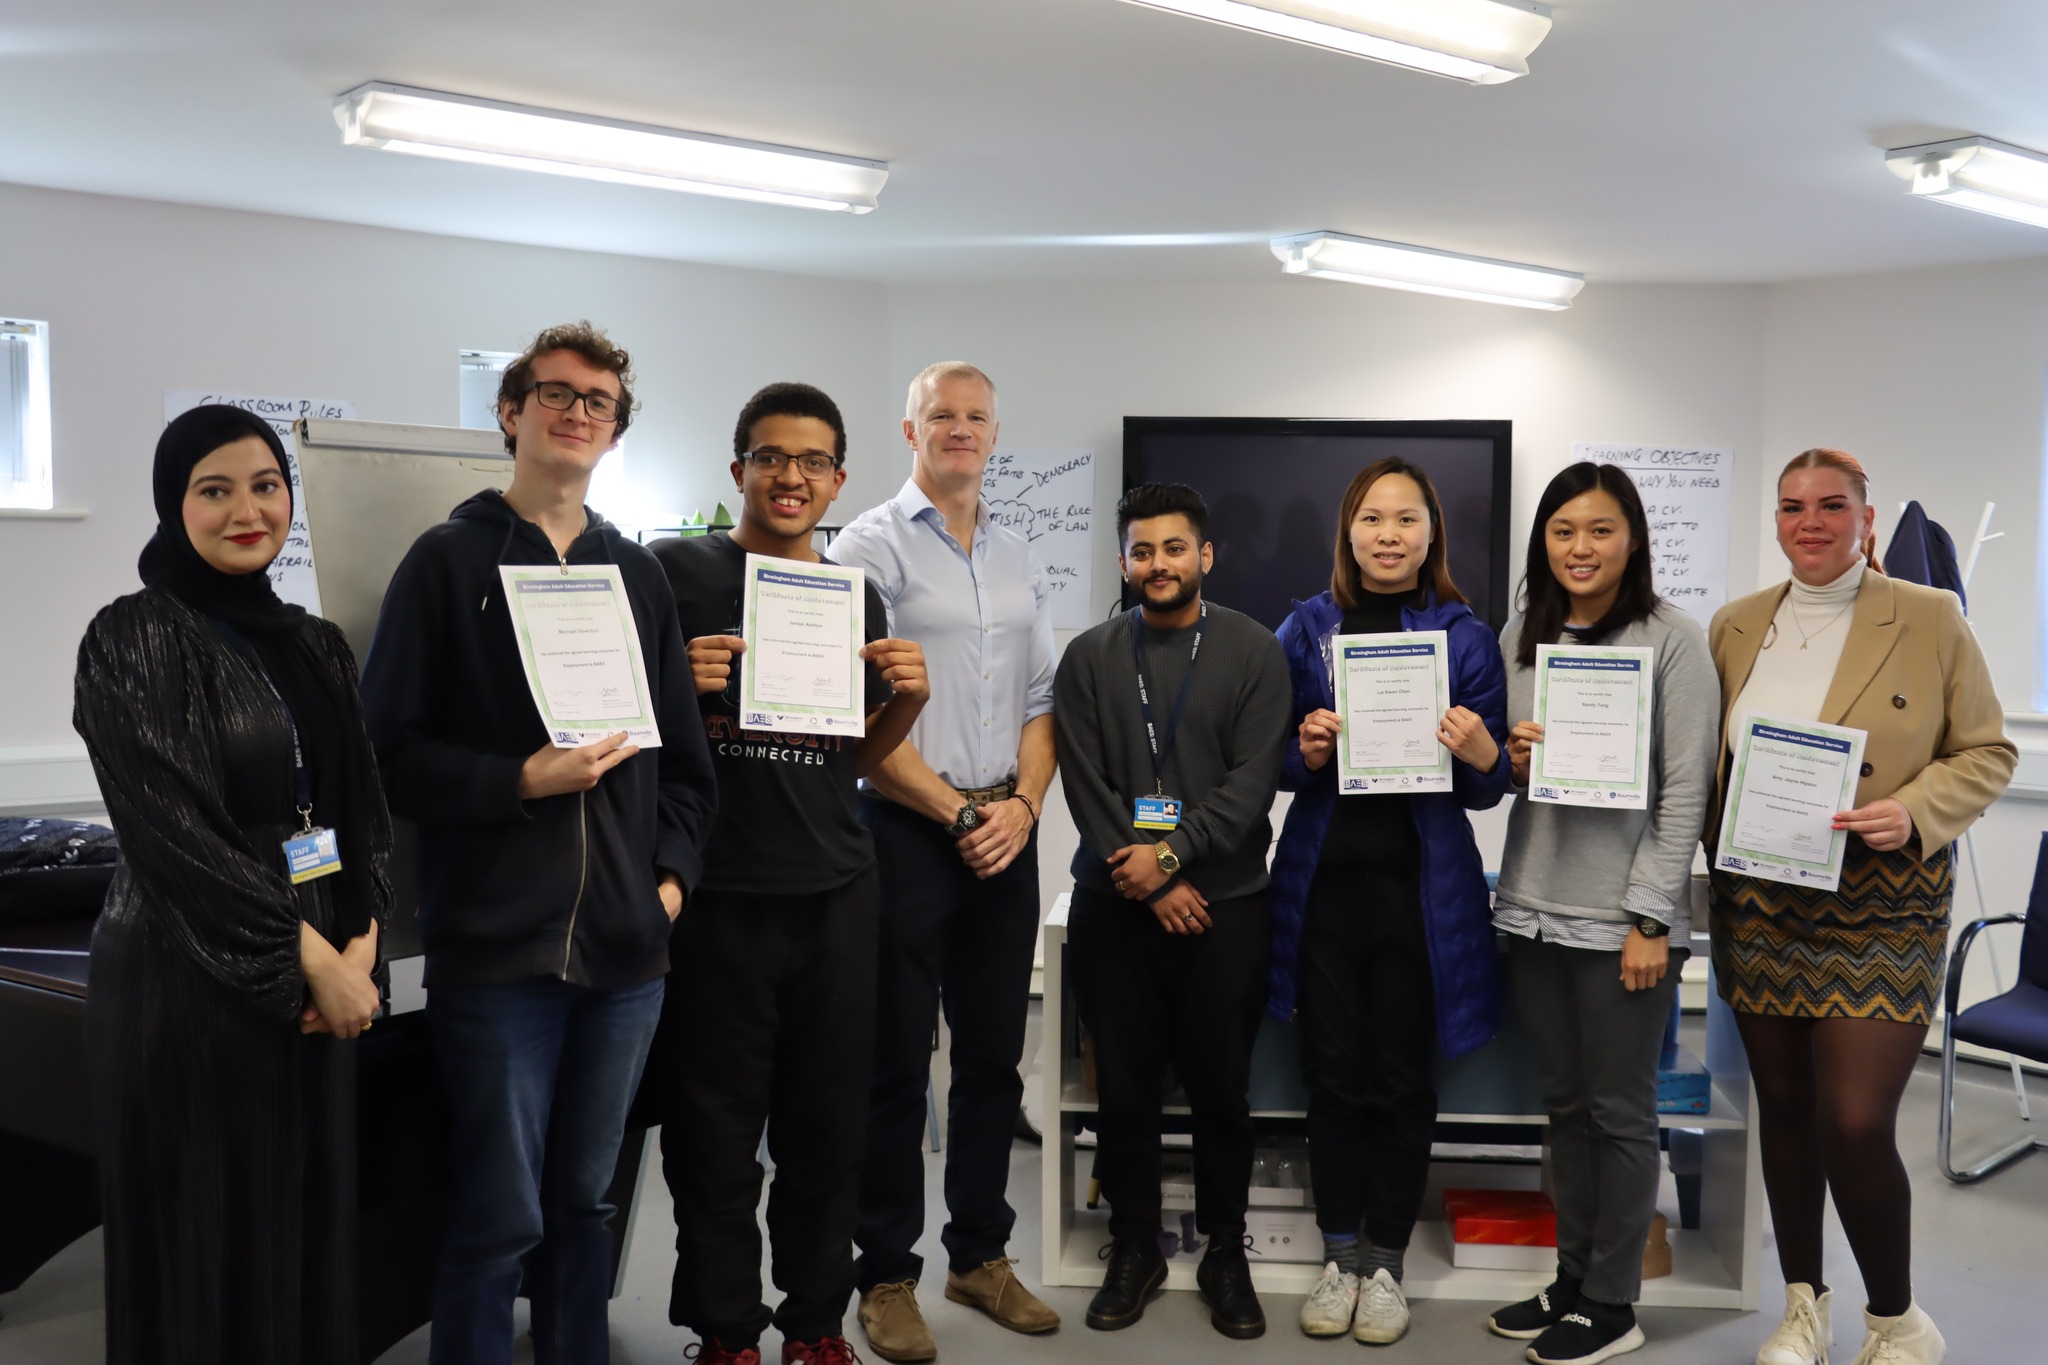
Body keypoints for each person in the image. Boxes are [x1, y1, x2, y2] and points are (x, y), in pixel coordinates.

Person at [360, 321, 719, 1365]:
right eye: (555, 394)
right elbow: (386, 758)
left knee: (584, 1206)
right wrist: (518, 779)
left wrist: (667, 886)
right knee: (496, 1214)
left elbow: (687, 770)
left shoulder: (637, 576)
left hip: (626, 959)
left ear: (614, 432)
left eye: (597, 402)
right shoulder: (444, 562)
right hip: (495, 958)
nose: (576, 413)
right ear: (510, 412)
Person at [74, 404, 392, 1364]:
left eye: (266, 486)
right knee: (203, 1236)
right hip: (186, 982)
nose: (247, 511)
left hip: (323, 971)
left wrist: (363, 938)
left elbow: (361, 802)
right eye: (214, 490)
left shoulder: (315, 641)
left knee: (303, 1223)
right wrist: (312, 961)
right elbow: (175, 833)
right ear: (173, 505)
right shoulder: (131, 636)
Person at [641, 382, 930, 1365]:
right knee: (712, 1135)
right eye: (771, 457)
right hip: (715, 894)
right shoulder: (671, 571)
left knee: (826, 1132)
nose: (791, 476)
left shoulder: (854, 595)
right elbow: (627, 726)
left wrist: (905, 703)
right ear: (739, 471)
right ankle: (726, 1330)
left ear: (838, 480)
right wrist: (680, 683)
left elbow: (849, 760)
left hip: (835, 892)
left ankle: (813, 1324)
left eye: (812, 462)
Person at [1708, 449, 2013, 1365]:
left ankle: (1898, 1319)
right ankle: (1803, 1306)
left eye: (1832, 505)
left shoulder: (1930, 615)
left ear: (1866, 520)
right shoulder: (1736, 625)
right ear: (1776, 519)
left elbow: (1988, 751)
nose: (1811, 521)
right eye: (1792, 506)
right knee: (1786, 1107)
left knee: (1853, 1119)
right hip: (1763, 898)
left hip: (1882, 903)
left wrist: (1912, 809)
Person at [827, 361, 1061, 1362]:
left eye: (976, 417)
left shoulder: (1015, 552)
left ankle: (979, 1256)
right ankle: (885, 1274)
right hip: (902, 829)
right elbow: (853, 716)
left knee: (992, 1059)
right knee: (893, 1063)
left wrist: (1021, 806)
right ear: (909, 430)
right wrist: (958, 811)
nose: (960, 429)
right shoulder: (865, 546)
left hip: (1005, 828)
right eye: (942, 416)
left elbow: (1042, 700)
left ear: (994, 433)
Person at [1268, 457, 1509, 1346]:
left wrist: (1482, 750)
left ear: (1430, 533)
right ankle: (1338, 1258)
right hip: (1324, 891)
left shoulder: (1465, 636)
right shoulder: (1306, 627)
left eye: (1407, 518)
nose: (1389, 534)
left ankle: (1387, 1267)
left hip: (1423, 894)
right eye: (1373, 517)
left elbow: (1488, 788)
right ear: (1350, 529)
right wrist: (1304, 750)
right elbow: (1271, 762)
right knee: (1332, 1077)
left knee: (1404, 1081)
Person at [1484, 462, 1719, 1365]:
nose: (1580, 548)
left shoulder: (1674, 639)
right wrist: (1511, 758)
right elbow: (1517, 775)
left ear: (1633, 539)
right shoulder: (1522, 633)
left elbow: (1686, 788)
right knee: (1566, 1108)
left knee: (1620, 1113)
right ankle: (1574, 1279)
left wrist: (1652, 919)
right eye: (1563, 530)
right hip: (1533, 907)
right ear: (1542, 540)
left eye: (1600, 530)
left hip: (1623, 922)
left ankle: (1615, 1303)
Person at [1055, 482, 1291, 1340]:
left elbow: (1252, 781)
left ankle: (1225, 1250)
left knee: (1222, 1092)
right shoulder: (1088, 656)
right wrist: (1153, 878)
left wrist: (1170, 856)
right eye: (1143, 550)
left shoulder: (1255, 650)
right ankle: (1134, 1246)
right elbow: (1085, 781)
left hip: (1224, 907)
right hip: (1117, 908)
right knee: (1124, 1090)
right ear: (1124, 561)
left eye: (1175, 548)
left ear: (1206, 555)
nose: (1159, 564)